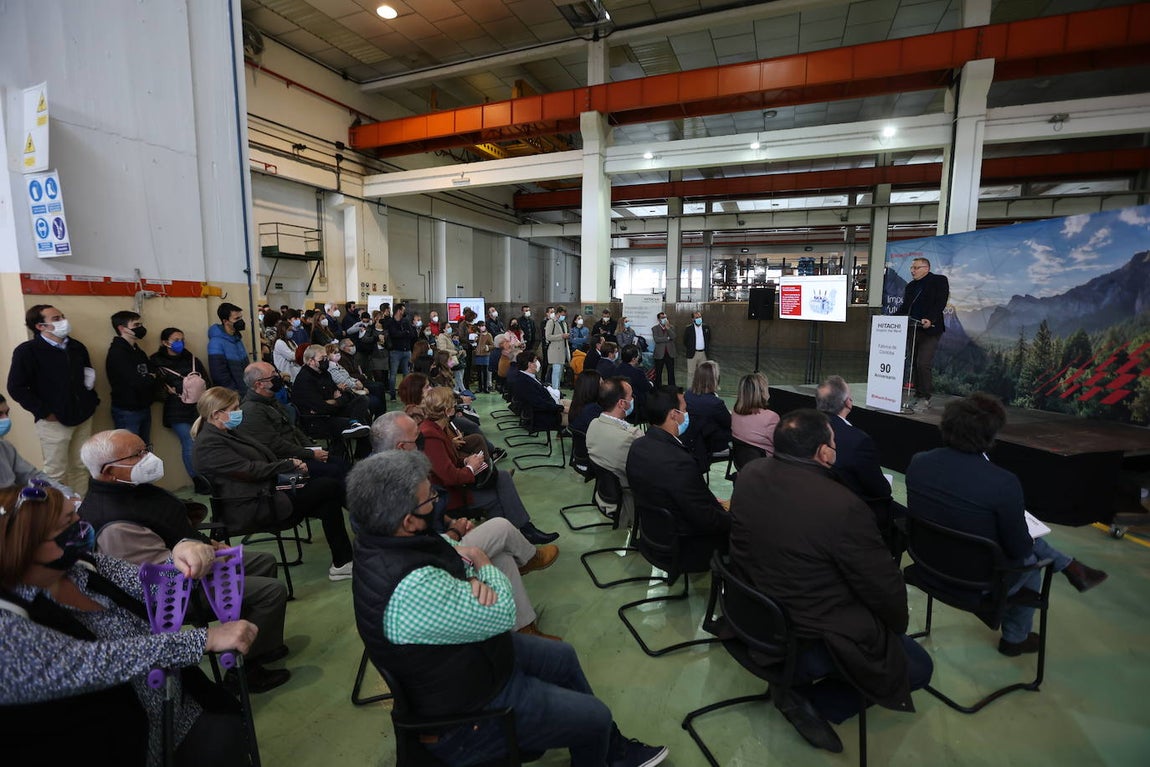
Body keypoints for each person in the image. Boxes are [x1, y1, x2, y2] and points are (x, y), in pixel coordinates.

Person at [347, 450, 668, 767]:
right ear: (407, 521)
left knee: (563, 656)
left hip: (468, 661)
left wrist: (470, 572)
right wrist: (483, 569)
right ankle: (604, 744)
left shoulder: (384, 541)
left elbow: (456, 549)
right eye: (429, 497)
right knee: (597, 718)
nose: (435, 500)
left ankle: (610, 749)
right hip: (465, 715)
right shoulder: (411, 587)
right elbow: (502, 612)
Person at [0, 483, 257, 767]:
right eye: (68, 522)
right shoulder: (8, 619)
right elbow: (90, 662)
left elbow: (154, 585)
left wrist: (185, 555)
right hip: (115, 744)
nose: (82, 526)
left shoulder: (81, 565)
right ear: (29, 543)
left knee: (226, 738)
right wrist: (202, 640)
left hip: (176, 710)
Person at [728, 409, 933, 752]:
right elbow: (885, 591)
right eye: (834, 443)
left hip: (749, 613)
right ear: (824, 453)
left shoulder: (749, 474)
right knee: (919, 667)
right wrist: (894, 630)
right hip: (805, 634)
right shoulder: (843, 507)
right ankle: (814, 702)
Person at [78, 429, 291, 693]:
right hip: (175, 593)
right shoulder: (114, 523)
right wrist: (205, 553)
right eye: (138, 455)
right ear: (109, 471)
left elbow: (174, 526)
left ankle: (262, 642)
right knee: (270, 593)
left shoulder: (131, 490)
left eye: (146, 449)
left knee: (264, 561)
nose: (149, 458)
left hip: (193, 560)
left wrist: (206, 543)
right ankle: (243, 672)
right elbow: (163, 576)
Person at [905, 392, 1108, 655]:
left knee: (1026, 546)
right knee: (1032, 562)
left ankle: (1071, 567)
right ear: (990, 437)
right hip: (975, 584)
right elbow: (1020, 550)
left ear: (946, 426)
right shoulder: (1003, 483)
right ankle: (1014, 639)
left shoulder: (919, 462)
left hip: (926, 565)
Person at [370, 411, 560, 639]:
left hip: (436, 542)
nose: (421, 442)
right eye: (416, 437)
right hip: (430, 564)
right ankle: (529, 557)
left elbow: (430, 512)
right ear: (401, 446)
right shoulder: (391, 488)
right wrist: (454, 532)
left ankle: (523, 629)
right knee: (500, 526)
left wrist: (450, 523)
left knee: (502, 557)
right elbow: (414, 545)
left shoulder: (389, 472)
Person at [192, 386, 356, 581]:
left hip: (265, 492)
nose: (239, 412)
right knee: (328, 486)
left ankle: (343, 562)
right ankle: (368, 527)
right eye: (234, 408)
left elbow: (259, 463)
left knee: (327, 500)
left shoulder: (227, 433)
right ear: (217, 414)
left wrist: (289, 467)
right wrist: (287, 465)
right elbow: (250, 470)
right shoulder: (209, 443)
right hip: (251, 504)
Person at [418, 387, 558, 545]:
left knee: (503, 476)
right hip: (450, 496)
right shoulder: (431, 436)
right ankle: (517, 540)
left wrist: (465, 462)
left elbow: (446, 462)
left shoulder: (436, 429)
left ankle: (525, 531)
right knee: (497, 499)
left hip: (453, 487)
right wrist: (470, 467)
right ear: (447, 410)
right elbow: (450, 477)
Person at [625, 386, 730, 572]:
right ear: (674, 414)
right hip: (683, 544)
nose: (687, 414)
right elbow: (706, 519)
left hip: (652, 535)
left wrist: (710, 503)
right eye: (685, 409)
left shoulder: (638, 447)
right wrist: (733, 518)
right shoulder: (679, 461)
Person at [7, 304, 100, 494]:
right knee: (56, 472)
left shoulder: (77, 347)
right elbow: (16, 387)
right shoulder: (27, 351)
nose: (63, 321)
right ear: (40, 326)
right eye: (56, 319)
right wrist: (44, 412)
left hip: (83, 416)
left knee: (81, 468)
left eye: (62, 316)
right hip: (53, 421)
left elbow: (88, 376)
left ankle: (80, 510)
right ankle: (57, 515)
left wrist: (91, 401)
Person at [816, 376, 905, 537]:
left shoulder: (804, 428)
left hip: (817, 505)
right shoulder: (858, 441)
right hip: (853, 515)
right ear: (848, 403)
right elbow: (882, 491)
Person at [239, 362, 349, 480]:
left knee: (341, 463)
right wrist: (310, 454)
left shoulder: (270, 401)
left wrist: (313, 449)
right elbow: (275, 445)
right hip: (285, 462)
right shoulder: (252, 411)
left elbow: (293, 429)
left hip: (298, 452)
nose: (279, 376)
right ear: (259, 384)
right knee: (334, 471)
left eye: (277, 372)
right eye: (273, 376)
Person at [150, 327, 212, 493]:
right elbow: (153, 387)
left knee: (203, 442)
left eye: (182, 339)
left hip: (198, 408)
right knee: (189, 443)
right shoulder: (156, 361)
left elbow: (206, 380)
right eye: (176, 340)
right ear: (165, 342)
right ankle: (199, 480)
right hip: (176, 409)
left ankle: (209, 477)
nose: (180, 343)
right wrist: (165, 391)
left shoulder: (192, 359)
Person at [291, 345, 373, 458]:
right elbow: (321, 407)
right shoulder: (304, 379)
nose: (326, 361)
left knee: (362, 400)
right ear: (311, 361)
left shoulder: (325, 374)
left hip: (332, 412)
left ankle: (355, 425)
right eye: (322, 359)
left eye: (326, 357)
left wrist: (334, 401)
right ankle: (358, 452)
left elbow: (346, 395)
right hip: (316, 420)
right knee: (362, 421)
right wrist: (336, 400)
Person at [893, 256, 949, 412]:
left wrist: (930, 319)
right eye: (912, 268)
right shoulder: (911, 286)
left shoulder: (939, 280)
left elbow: (940, 302)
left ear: (926, 268)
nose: (912, 271)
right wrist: (889, 318)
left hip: (930, 329)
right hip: (913, 329)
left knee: (923, 363)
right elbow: (905, 308)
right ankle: (918, 394)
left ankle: (925, 397)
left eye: (916, 268)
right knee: (915, 363)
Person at [586, 377, 642, 527]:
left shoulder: (593, 424)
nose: (633, 399)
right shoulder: (632, 436)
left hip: (603, 495)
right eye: (631, 396)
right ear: (622, 403)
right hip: (629, 502)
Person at [0, 393, 73, 495]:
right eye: (0, 414)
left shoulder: (5, 448)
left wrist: (66, 494)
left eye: (6, 413)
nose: (5, 419)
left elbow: (32, 476)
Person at [106, 310, 155, 443]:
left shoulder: (137, 351)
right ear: (122, 328)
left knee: (144, 447)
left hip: (143, 406)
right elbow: (134, 380)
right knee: (129, 450)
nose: (141, 328)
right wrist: (149, 378)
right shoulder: (117, 353)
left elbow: (152, 372)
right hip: (127, 410)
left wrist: (149, 378)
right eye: (136, 325)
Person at [682, 360, 731, 471]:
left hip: (691, 440)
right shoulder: (715, 403)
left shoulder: (688, 395)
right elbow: (729, 423)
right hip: (708, 443)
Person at [731, 372, 779, 456]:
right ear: (762, 392)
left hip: (743, 464)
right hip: (767, 466)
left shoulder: (735, 412)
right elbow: (782, 446)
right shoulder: (771, 418)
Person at [207, 302, 249, 394]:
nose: (241, 321)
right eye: (237, 318)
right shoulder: (216, 343)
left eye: (241, 317)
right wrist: (234, 393)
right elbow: (219, 374)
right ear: (225, 321)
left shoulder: (237, 338)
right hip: (232, 395)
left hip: (245, 390)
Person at [386, 302, 417, 399]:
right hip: (395, 351)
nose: (404, 312)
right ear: (399, 310)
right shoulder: (391, 322)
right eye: (403, 310)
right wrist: (405, 333)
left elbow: (412, 334)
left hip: (406, 350)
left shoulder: (406, 321)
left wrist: (403, 333)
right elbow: (394, 334)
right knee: (393, 374)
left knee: (406, 374)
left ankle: (406, 394)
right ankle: (392, 395)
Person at [616, 345, 652, 425]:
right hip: (636, 407)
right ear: (634, 359)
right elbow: (647, 388)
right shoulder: (638, 373)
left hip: (618, 403)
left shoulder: (616, 369)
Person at [568, 370, 604, 435]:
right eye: (601, 384)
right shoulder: (593, 409)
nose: (604, 387)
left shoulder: (577, 405)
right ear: (593, 387)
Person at [544, 305, 572, 390]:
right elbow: (548, 336)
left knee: (560, 373)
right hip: (555, 350)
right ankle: (555, 391)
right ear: (558, 313)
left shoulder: (564, 323)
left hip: (563, 350)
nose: (563, 316)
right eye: (562, 314)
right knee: (556, 372)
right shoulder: (551, 322)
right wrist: (562, 336)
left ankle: (557, 390)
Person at [682, 310, 712, 385]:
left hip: (703, 354)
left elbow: (709, 339)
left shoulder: (706, 327)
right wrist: (691, 348)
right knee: (691, 373)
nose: (699, 319)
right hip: (692, 354)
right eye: (696, 317)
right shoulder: (688, 328)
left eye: (700, 317)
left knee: (703, 374)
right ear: (693, 319)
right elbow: (685, 341)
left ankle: (703, 391)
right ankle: (690, 391)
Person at [651, 311, 676, 388]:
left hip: (670, 353)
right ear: (658, 319)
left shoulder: (671, 327)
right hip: (659, 354)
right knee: (658, 373)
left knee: (671, 373)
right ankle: (657, 390)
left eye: (665, 317)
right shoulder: (655, 328)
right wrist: (667, 338)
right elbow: (656, 339)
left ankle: (672, 389)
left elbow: (674, 337)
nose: (664, 319)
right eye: (662, 318)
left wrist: (668, 329)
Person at [473, 320, 495, 393]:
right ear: (478, 327)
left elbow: (492, 345)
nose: (482, 327)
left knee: (485, 372)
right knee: (479, 372)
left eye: (483, 325)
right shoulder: (478, 335)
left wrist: (487, 347)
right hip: (478, 355)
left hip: (485, 355)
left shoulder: (488, 335)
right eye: (481, 326)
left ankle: (485, 387)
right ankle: (480, 387)